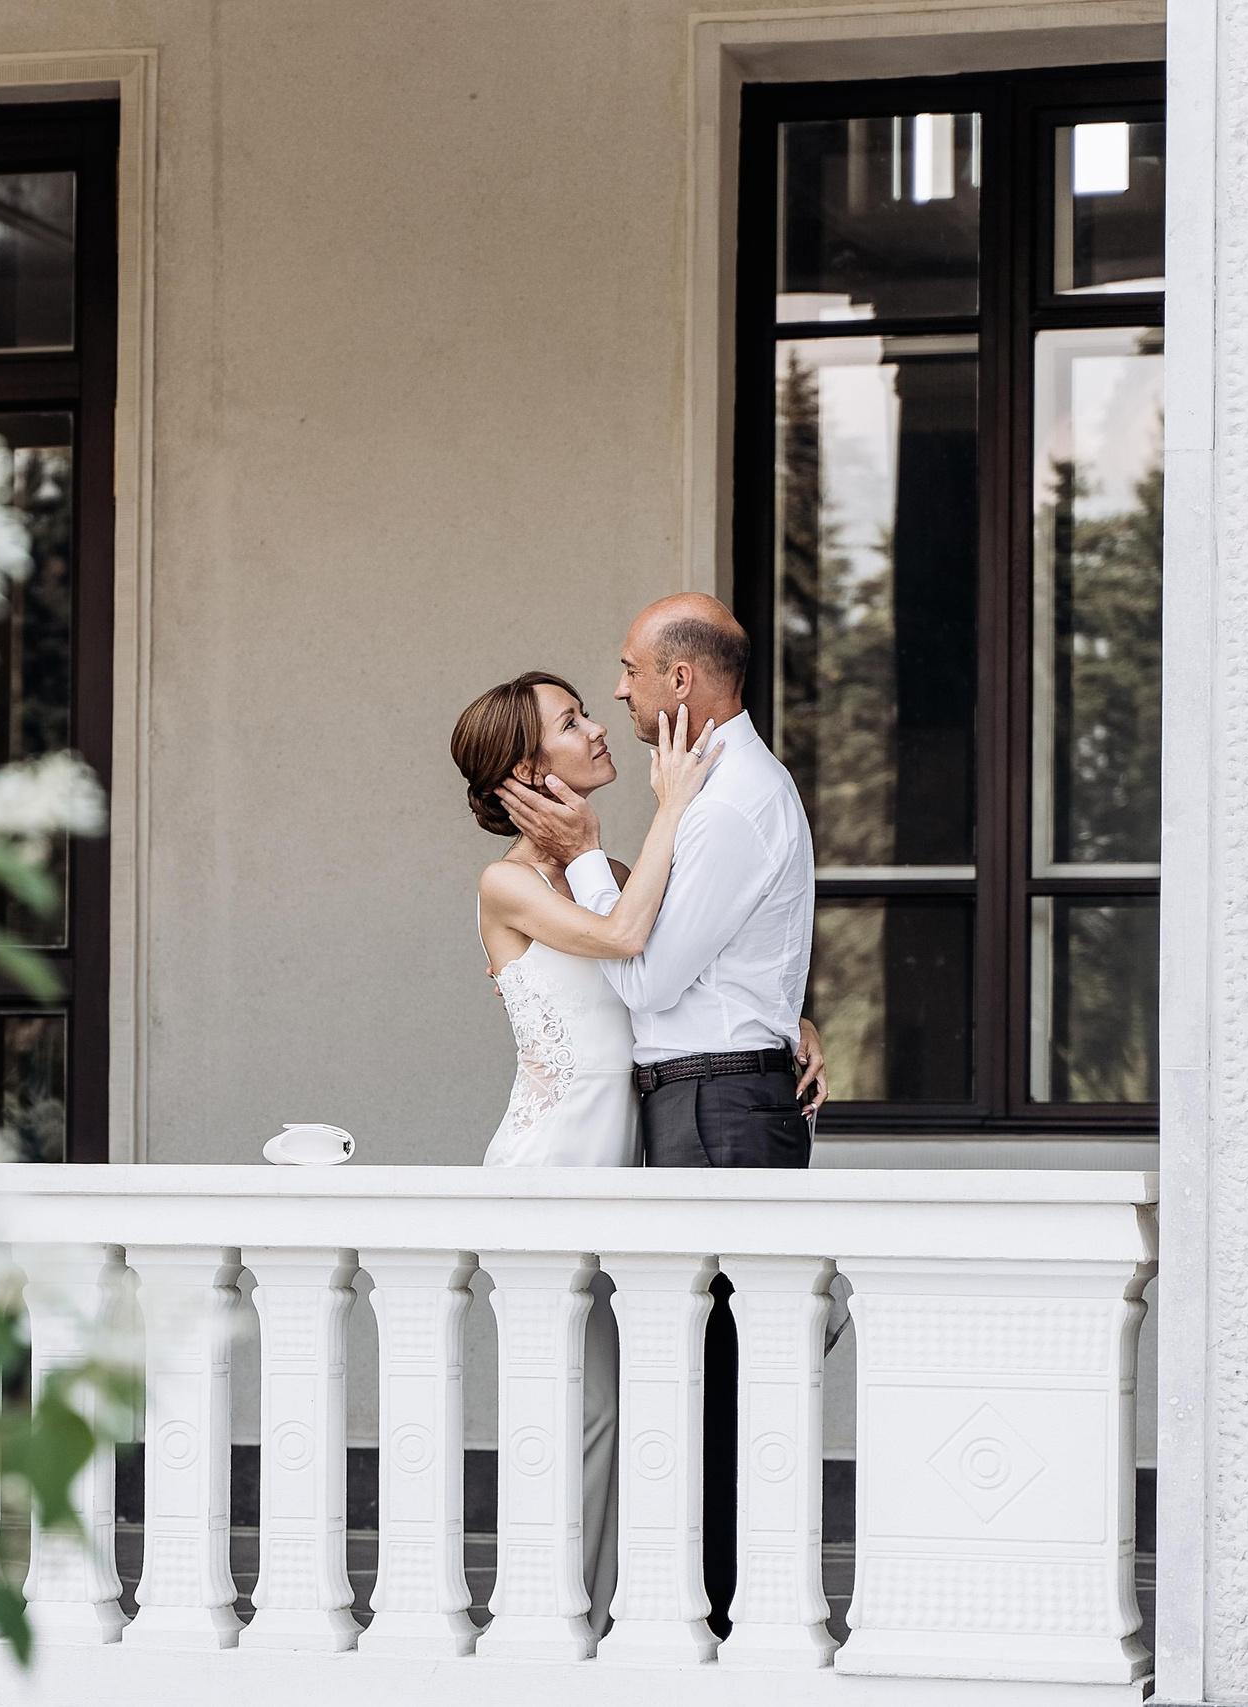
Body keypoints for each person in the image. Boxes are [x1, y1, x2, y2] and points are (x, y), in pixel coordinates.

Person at [496, 592, 824, 1639]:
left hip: (715, 1109)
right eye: (583, 707)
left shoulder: (722, 802)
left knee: (719, 1388)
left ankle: (723, 1621)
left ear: (681, 681)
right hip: (666, 1116)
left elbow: (644, 979)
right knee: (664, 1391)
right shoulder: (698, 797)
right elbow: (672, 940)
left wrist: (779, 1018)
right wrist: (781, 1006)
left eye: (628, 674)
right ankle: (649, 1611)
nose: (618, 698)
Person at [447, 669, 721, 1638]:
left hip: (618, 1181)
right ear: (527, 768)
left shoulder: (601, 867)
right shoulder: (509, 882)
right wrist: (664, 812)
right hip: (544, 1180)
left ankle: (588, 1616)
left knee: (616, 1408)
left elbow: (676, 968)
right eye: (571, 723)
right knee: (585, 1411)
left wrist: (793, 1020)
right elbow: (623, 936)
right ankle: (553, 1621)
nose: (597, 728)